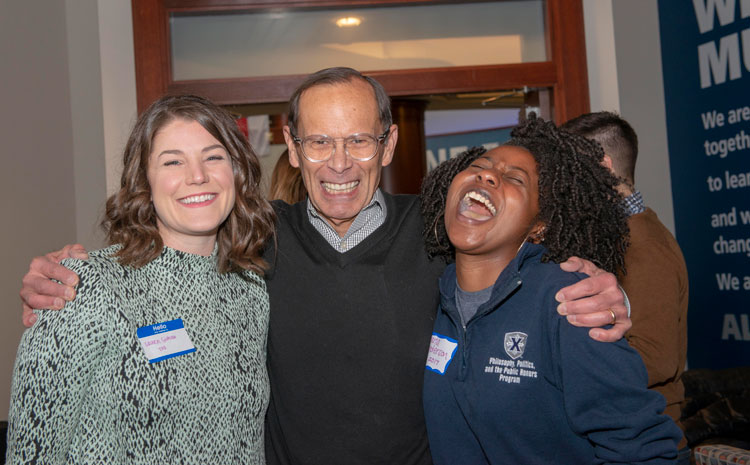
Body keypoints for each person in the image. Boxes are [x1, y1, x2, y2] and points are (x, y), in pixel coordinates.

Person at [20, 68, 632, 465]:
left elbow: (520, 274)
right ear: (293, 145)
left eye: (358, 141)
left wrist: (604, 289)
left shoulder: (438, 234)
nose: (339, 163)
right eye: (319, 142)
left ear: (387, 145)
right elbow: (163, 254)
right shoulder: (254, 244)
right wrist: (70, 280)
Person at [7, 95, 276, 463]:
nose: (197, 175)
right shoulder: (84, 286)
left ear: (237, 171)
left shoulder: (250, 291)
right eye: (172, 161)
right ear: (144, 182)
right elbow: (32, 452)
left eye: (213, 156)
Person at [419, 115, 682, 464]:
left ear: (539, 227)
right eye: (479, 166)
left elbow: (643, 449)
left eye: (515, 179)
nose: (487, 175)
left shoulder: (568, 300)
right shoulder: (434, 290)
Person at [561, 111, 690, 460]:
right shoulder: (615, 238)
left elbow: (656, 358)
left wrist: (562, 370)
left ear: (602, 165)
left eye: (570, 165)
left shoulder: (644, 247)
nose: (562, 179)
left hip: (645, 441)